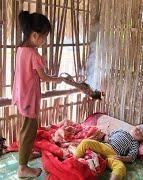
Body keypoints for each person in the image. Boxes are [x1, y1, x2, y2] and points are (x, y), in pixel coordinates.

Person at [12, 11, 63, 178]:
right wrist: (56, 80)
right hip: (29, 97)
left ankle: (23, 156)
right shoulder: (33, 54)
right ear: (34, 35)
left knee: (25, 128)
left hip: (21, 95)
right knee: (29, 131)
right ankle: (23, 168)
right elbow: (43, 76)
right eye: (44, 37)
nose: (44, 41)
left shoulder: (20, 49)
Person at [75, 123, 143, 180]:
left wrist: (123, 158)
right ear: (134, 126)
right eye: (138, 129)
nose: (138, 132)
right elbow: (107, 136)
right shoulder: (121, 131)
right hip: (104, 146)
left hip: (114, 155)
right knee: (86, 142)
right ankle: (74, 159)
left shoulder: (135, 143)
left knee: (121, 168)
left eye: (141, 134)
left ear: (142, 140)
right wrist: (106, 138)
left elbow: (131, 157)